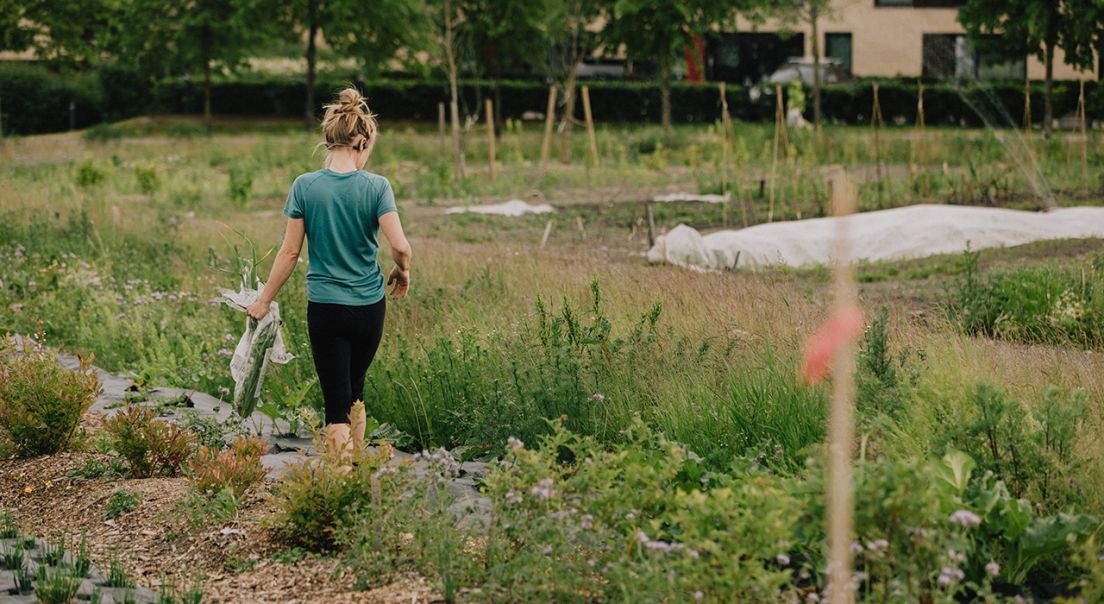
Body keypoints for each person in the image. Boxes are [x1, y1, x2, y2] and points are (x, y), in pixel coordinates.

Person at [246, 87, 411, 456]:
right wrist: (403, 271)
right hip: (370, 307)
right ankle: (355, 477)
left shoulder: (305, 186)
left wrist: (263, 301)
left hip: (327, 309)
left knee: (336, 403)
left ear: (328, 139)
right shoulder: (377, 186)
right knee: (355, 391)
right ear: (363, 141)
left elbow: (290, 253)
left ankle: (338, 491)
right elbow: (401, 247)